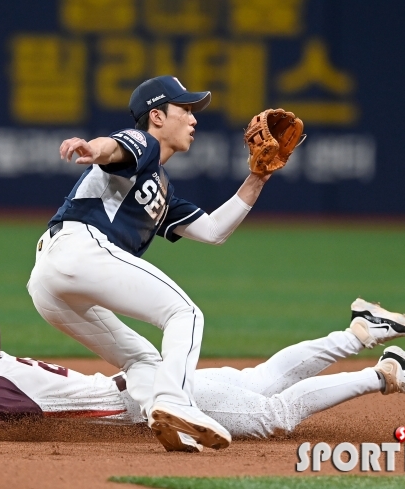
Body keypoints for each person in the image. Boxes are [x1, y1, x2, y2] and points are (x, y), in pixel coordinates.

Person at [25, 75, 286, 451]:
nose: (194, 119)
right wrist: (91, 148)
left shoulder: (160, 187)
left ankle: (167, 423)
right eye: (186, 109)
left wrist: (258, 177)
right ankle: (176, 403)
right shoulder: (145, 143)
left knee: (142, 359)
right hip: (79, 249)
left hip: (49, 284)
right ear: (157, 117)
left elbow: (213, 230)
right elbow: (112, 147)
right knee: (186, 315)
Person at [0, 302, 405, 451]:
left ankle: (381, 373)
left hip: (156, 399)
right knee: (262, 377)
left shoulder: (2, 386)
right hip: (160, 384)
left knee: (275, 415)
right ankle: (357, 331)